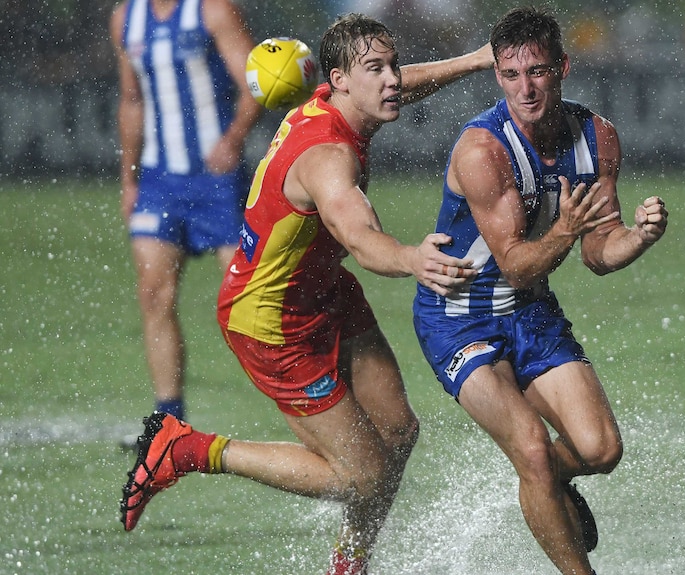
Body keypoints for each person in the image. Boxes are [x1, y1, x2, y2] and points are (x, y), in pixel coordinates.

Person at [120, 13, 494, 575]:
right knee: (359, 475)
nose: (392, 79)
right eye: (377, 70)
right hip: (269, 320)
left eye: (392, 65)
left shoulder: (335, 99)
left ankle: (349, 564)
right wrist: (414, 258)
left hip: (322, 289)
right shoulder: (329, 158)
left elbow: (399, 82)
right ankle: (186, 448)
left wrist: (476, 60)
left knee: (397, 430)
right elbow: (362, 240)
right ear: (342, 79)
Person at [412, 7, 668, 575]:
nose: (525, 89)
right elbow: (518, 264)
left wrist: (640, 238)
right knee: (530, 447)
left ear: (563, 68)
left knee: (601, 450)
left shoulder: (597, 137)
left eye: (537, 72)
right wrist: (565, 229)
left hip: (529, 314)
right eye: (510, 75)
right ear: (498, 76)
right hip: (459, 318)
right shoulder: (483, 151)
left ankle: (543, 487)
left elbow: (599, 252)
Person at [110, 0, 262, 422]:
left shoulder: (213, 10)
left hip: (218, 180)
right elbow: (131, 99)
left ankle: (297, 392)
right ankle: (169, 419)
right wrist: (129, 179)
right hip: (159, 183)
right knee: (154, 294)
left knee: (249, 300)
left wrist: (234, 138)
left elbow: (256, 82)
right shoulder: (126, 19)